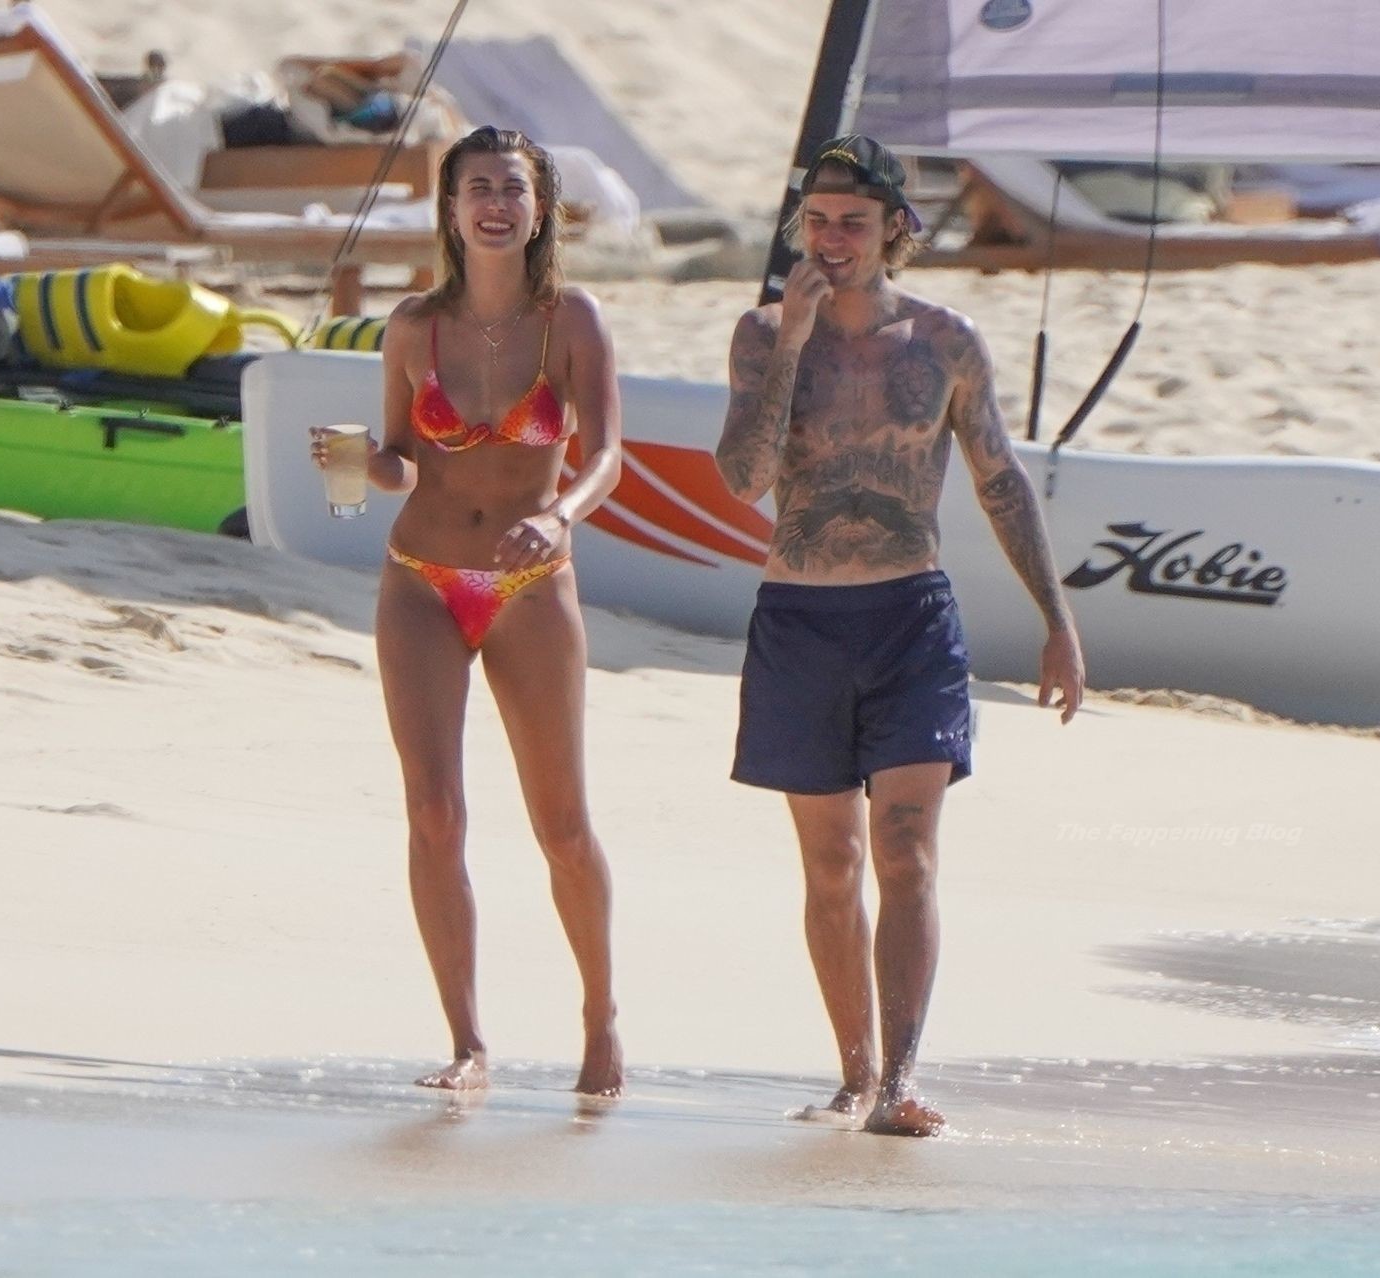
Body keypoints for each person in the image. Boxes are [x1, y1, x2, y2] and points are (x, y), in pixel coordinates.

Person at [714, 135, 1086, 1137]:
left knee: (907, 851)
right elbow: (742, 479)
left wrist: (1057, 620)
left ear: (895, 232)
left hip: (910, 616)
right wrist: (793, 340)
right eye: (817, 223)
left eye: (853, 223)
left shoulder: (945, 340)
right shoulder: (761, 334)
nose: (832, 240)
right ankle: (854, 1072)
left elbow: (1000, 478)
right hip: (800, 620)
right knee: (832, 864)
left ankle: (900, 1081)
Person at [311, 126, 625, 1097]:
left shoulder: (572, 320)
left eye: (512, 189)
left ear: (541, 209)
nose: (495, 204)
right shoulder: (414, 326)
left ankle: (600, 1015)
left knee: (561, 825)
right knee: (434, 812)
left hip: (532, 586)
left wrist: (558, 515)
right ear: (450, 209)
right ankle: (466, 1041)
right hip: (421, 580)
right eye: (477, 188)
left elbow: (608, 456)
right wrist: (359, 463)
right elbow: (404, 462)